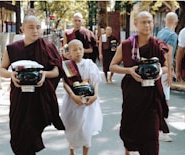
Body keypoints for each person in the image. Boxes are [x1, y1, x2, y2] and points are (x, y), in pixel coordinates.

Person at [0, 15, 65, 154]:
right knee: (18, 135)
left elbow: (56, 71)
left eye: (38, 27)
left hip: (39, 97)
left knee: (32, 132)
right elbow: (2, 70)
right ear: (22, 29)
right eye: (31, 27)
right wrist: (11, 75)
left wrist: (44, 75)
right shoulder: (12, 48)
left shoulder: (47, 46)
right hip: (19, 97)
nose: (35, 30)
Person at [110, 11, 169, 155]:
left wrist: (159, 72)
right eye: (143, 22)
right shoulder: (126, 45)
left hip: (152, 96)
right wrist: (130, 71)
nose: (147, 25)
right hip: (133, 95)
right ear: (136, 23)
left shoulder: (158, 45)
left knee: (152, 135)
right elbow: (112, 66)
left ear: (153, 23)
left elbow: (166, 67)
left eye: (149, 22)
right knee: (130, 130)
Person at [60, 39, 103, 155]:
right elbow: (65, 83)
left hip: (89, 101)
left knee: (86, 128)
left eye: (80, 49)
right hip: (72, 101)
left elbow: (96, 81)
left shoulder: (89, 64)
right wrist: (73, 96)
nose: (78, 52)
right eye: (75, 49)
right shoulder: (67, 65)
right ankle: (72, 150)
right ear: (70, 52)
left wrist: (95, 95)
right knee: (72, 126)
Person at [156, 12, 178, 142]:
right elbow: (168, 55)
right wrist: (169, 73)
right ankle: (160, 131)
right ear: (176, 22)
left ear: (165, 21)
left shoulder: (160, 33)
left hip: (159, 68)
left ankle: (159, 128)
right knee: (165, 101)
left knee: (160, 98)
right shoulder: (172, 35)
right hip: (164, 70)